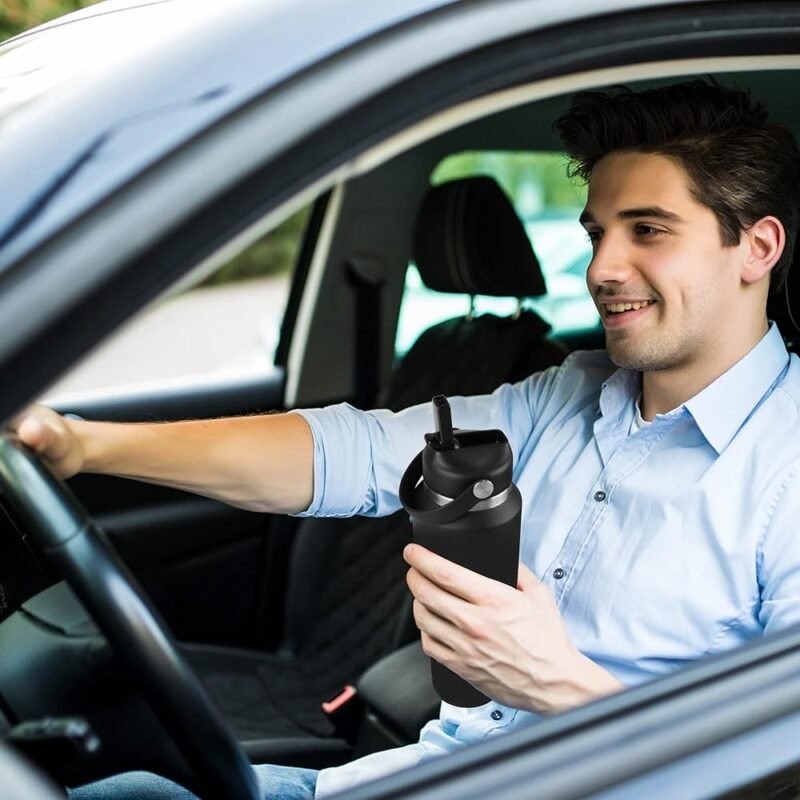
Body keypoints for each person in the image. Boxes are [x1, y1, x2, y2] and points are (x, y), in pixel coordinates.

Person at [13, 79, 800, 799]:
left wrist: (555, 685)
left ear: (758, 247)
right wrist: (88, 449)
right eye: (596, 231)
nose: (601, 266)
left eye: (648, 229)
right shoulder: (568, 394)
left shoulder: (786, 467)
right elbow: (344, 454)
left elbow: (778, 774)